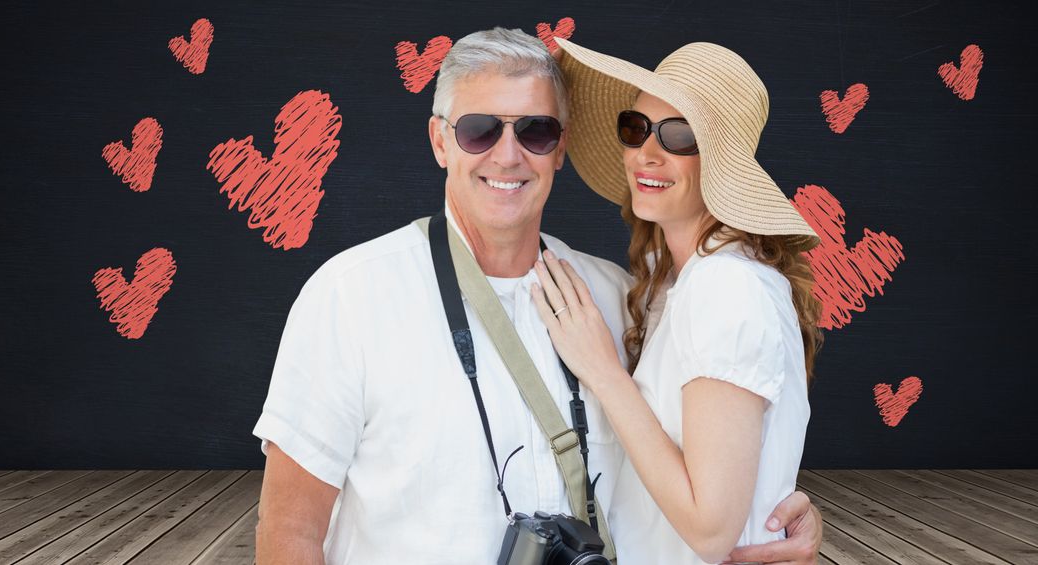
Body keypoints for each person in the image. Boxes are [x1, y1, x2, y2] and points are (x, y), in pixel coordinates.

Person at [252, 27, 821, 564]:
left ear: (560, 148)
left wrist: (776, 515)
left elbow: (716, 460)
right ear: (440, 141)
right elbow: (289, 531)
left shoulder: (618, 299)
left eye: (535, 131)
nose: (507, 155)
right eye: (479, 129)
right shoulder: (349, 297)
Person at [528, 37, 824, 564]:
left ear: (723, 165)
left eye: (680, 136)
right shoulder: (677, 282)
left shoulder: (726, 287)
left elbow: (711, 529)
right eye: (635, 127)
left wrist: (604, 372)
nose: (647, 152)